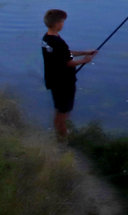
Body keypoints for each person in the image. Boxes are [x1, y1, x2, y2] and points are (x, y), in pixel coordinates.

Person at [41, 9, 96, 140]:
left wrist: (84, 52)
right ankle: (63, 138)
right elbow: (68, 62)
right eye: (62, 22)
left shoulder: (47, 38)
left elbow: (64, 54)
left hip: (54, 80)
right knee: (63, 111)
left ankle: (58, 130)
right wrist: (85, 60)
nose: (63, 24)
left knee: (60, 109)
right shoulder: (58, 42)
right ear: (57, 24)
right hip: (63, 82)